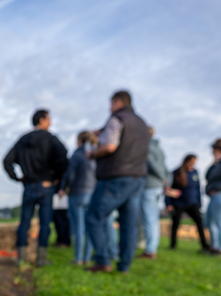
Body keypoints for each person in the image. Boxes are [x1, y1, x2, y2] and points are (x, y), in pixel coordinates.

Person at [85, 90, 150, 273]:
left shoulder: (116, 119)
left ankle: (103, 260)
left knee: (93, 216)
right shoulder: (142, 124)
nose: (109, 108)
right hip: (138, 178)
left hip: (116, 176)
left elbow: (110, 146)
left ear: (117, 102)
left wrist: (92, 153)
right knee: (128, 224)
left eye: (111, 104)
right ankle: (124, 266)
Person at [3, 109, 69, 266]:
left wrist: (17, 177)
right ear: (42, 120)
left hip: (28, 186)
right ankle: (41, 258)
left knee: (24, 222)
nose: (50, 123)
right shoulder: (50, 138)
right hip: (46, 185)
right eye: (48, 119)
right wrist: (55, 176)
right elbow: (64, 156)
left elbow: (7, 161)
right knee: (44, 223)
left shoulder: (22, 140)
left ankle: (21, 257)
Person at [59, 131, 97, 264]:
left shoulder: (76, 156)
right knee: (89, 228)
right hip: (91, 194)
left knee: (78, 228)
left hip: (77, 194)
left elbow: (70, 175)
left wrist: (63, 188)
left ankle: (78, 258)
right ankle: (87, 258)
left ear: (79, 141)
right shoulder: (94, 156)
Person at [166, 154, 209, 250]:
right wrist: (168, 203)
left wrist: (199, 204)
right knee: (175, 224)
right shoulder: (175, 172)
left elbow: (197, 189)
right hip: (178, 203)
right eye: (190, 162)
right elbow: (168, 190)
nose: (192, 165)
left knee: (199, 222)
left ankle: (204, 245)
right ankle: (173, 246)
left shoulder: (195, 172)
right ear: (185, 161)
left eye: (194, 163)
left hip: (193, 203)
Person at [138, 126, 168, 259]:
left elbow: (152, 165)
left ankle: (150, 250)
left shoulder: (146, 148)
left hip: (149, 186)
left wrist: (162, 178)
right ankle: (151, 247)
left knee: (148, 219)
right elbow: (166, 169)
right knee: (153, 219)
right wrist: (165, 181)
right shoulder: (159, 149)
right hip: (157, 188)